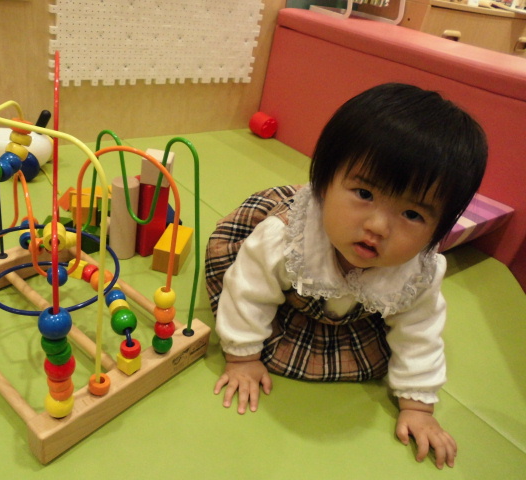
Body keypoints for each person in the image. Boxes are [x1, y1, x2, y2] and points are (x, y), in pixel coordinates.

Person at [205, 83, 487, 470]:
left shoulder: (416, 271)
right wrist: (242, 357)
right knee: (246, 283)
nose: (378, 226)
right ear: (323, 184)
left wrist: (418, 405)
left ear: (439, 228)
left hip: (351, 317)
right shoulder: (285, 239)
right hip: (291, 298)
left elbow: (419, 331)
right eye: (364, 193)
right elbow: (248, 292)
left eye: (412, 214)